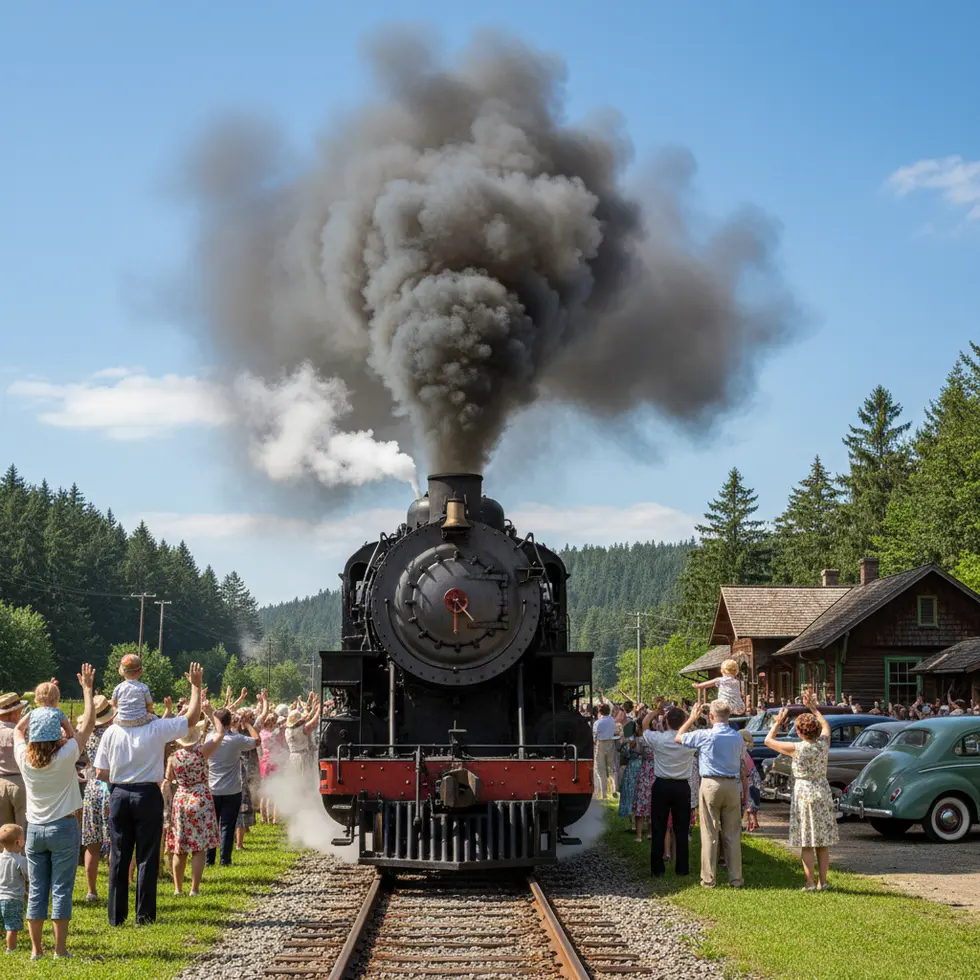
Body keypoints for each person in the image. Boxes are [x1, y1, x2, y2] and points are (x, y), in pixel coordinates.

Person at [94, 663, 204, 926]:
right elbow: (191, 719)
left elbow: (100, 772)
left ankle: (116, 917)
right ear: (146, 701)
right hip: (147, 795)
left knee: (119, 856)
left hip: (120, 794)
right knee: (147, 855)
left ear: (117, 703)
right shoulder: (157, 727)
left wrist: (121, 780)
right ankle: (144, 915)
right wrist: (196, 687)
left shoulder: (110, 732)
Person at [13, 663, 97, 959]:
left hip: (34, 830)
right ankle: (60, 950)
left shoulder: (23, 757)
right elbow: (87, 725)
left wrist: (35, 712)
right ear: (57, 730)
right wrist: (86, 692)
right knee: (61, 889)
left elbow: (18, 732)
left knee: (37, 890)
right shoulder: (65, 755)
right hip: (63, 827)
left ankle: (37, 951)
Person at [765, 690, 838, 891]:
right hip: (822, 790)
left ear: (799, 732)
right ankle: (823, 883)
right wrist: (814, 708)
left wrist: (778, 723)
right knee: (822, 842)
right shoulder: (823, 744)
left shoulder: (796, 748)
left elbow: (768, 741)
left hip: (804, 791)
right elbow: (826, 726)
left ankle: (810, 883)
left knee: (807, 841)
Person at [675, 699, 745, 888]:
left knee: (709, 832)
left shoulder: (704, 735)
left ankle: (709, 878)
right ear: (728, 716)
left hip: (710, 782)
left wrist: (691, 719)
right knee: (732, 833)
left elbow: (679, 737)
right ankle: (736, 878)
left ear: (711, 716)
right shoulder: (737, 737)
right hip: (732, 784)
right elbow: (741, 758)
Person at [166, 708, 223, 896]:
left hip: (181, 798)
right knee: (198, 848)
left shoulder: (173, 757)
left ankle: (177, 888)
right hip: (200, 797)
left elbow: (169, 778)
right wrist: (211, 714)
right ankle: (194, 889)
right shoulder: (201, 752)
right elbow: (220, 733)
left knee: (179, 847)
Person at [205, 707, 261, 867]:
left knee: (212, 826)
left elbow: (214, 729)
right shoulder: (236, 739)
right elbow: (257, 741)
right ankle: (225, 860)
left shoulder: (209, 738)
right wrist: (249, 725)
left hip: (212, 788)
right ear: (230, 722)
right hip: (232, 789)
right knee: (227, 826)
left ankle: (209, 860)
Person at [645, 706, 697, 877]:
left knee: (659, 827)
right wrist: (690, 719)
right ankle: (682, 869)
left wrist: (656, 710)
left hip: (661, 785)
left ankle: (657, 868)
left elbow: (645, 724)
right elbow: (695, 731)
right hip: (682, 786)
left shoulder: (658, 738)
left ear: (666, 721)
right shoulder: (690, 740)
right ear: (683, 722)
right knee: (681, 829)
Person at [80, 695, 116, 903]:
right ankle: (114, 886)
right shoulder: (112, 734)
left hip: (92, 786)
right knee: (114, 841)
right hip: (110, 786)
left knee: (92, 842)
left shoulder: (88, 735)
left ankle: (91, 891)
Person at [0, 693, 29, 831]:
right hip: (20, 782)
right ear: (11, 714)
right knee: (23, 829)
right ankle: (22, 853)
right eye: (19, 712)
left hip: (1, 782)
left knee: (5, 832)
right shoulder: (19, 733)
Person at [0, 822, 29, 954]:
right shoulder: (20, 860)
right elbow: (28, 876)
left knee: (3, 923)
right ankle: (10, 949)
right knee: (12, 927)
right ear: (19, 842)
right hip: (13, 898)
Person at [111, 654, 154, 727]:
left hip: (122, 721)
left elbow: (113, 704)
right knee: (155, 718)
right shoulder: (143, 687)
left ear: (122, 672)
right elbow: (149, 704)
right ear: (140, 671)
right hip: (140, 721)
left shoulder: (118, 687)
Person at [593, 703, 619, 799]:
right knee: (612, 767)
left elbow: (595, 735)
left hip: (600, 744)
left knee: (601, 769)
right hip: (611, 742)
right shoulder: (612, 720)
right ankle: (614, 789)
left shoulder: (598, 723)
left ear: (600, 712)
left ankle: (603, 793)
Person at [739, 729, 761, 832]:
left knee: (748, 800)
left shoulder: (741, 750)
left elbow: (745, 769)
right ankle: (754, 821)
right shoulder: (746, 749)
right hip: (754, 777)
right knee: (753, 800)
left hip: (749, 778)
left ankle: (749, 823)